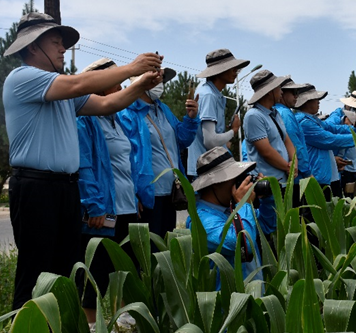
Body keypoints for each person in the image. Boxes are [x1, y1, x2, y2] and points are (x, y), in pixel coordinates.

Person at [2, 11, 162, 310]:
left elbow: (106, 103)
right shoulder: (22, 78)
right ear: (33, 47)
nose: (63, 48)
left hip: (64, 188)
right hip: (36, 188)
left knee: (65, 272)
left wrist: (140, 84)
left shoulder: (61, 90)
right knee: (36, 274)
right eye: (55, 42)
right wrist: (131, 68)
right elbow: (78, 86)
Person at [76, 57, 151, 324]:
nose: (121, 91)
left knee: (125, 274)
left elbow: (126, 163)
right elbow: (84, 163)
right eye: (116, 85)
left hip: (126, 208)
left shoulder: (116, 120)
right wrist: (94, 205)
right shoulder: (85, 119)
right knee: (95, 281)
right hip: (104, 213)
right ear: (101, 87)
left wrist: (136, 197)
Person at [119, 68, 199, 238]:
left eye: (162, 80)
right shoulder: (128, 113)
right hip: (148, 194)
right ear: (142, 83)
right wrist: (133, 194)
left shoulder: (163, 109)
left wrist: (191, 119)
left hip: (170, 192)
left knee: (165, 243)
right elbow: (126, 157)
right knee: (150, 246)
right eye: (156, 80)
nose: (161, 84)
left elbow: (182, 140)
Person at [185, 147, 262, 284]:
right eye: (235, 177)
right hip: (230, 303)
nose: (239, 182)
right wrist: (244, 204)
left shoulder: (231, 208)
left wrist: (265, 198)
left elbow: (268, 226)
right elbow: (242, 244)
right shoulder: (201, 221)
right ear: (215, 183)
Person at [294, 84, 356, 197]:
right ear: (307, 102)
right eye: (316, 99)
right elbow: (330, 140)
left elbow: (332, 128)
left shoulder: (313, 120)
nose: (319, 102)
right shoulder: (305, 123)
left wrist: (355, 128)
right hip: (317, 177)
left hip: (325, 174)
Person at [243, 70, 295, 235]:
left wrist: (294, 161)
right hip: (269, 182)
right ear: (269, 91)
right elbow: (266, 151)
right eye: (279, 88)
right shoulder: (253, 116)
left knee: (284, 226)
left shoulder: (275, 114)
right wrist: (288, 167)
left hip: (284, 180)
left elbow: (287, 140)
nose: (281, 91)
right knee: (271, 229)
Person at [187, 49, 250, 179]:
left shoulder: (211, 93)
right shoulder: (209, 95)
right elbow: (210, 141)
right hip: (207, 172)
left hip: (209, 168)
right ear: (219, 71)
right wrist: (233, 130)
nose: (236, 72)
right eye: (232, 68)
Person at [275, 78, 311, 203]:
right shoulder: (285, 113)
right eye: (293, 92)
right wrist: (307, 172)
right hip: (297, 177)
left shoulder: (276, 112)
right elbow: (295, 145)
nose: (296, 96)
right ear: (281, 93)